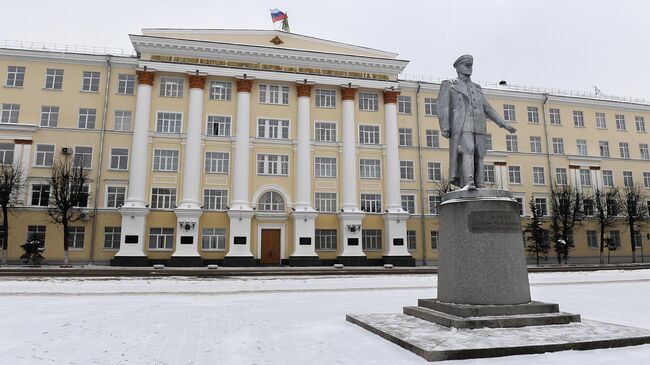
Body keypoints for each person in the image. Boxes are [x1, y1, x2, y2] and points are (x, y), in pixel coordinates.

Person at [437, 54, 517, 189]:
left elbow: (488, 108)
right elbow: (442, 106)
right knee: (468, 150)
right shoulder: (449, 85)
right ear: (457, 68)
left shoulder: (477, 87)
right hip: (462, 125)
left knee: (480, 154)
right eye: (466, 65)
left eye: (471, 65)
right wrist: (445, 127)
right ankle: (469, 182)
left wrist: (504, 124)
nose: (469, 67)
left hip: (479, 126)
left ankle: (480, 183)